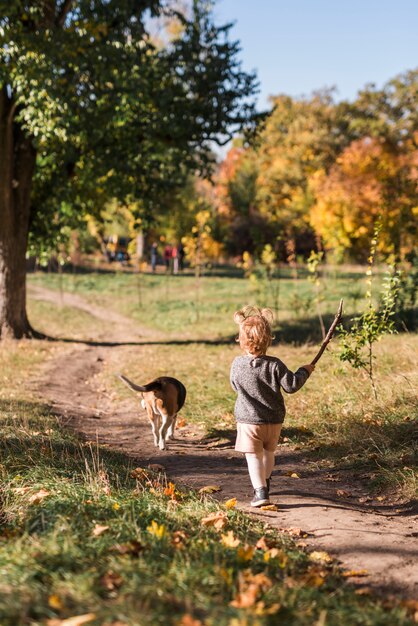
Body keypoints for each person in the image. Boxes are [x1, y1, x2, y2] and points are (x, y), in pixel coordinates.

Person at [230, 306, 315, 507]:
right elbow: (291, 385)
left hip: (249, 421)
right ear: (268, 339)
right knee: (268, 453)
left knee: (253, 457)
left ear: (241, 340)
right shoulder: (275, 364)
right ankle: (265, 483)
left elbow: (234, 385)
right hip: (273, 420)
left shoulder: (237, 364)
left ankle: (260, 492)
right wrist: (305, 371)